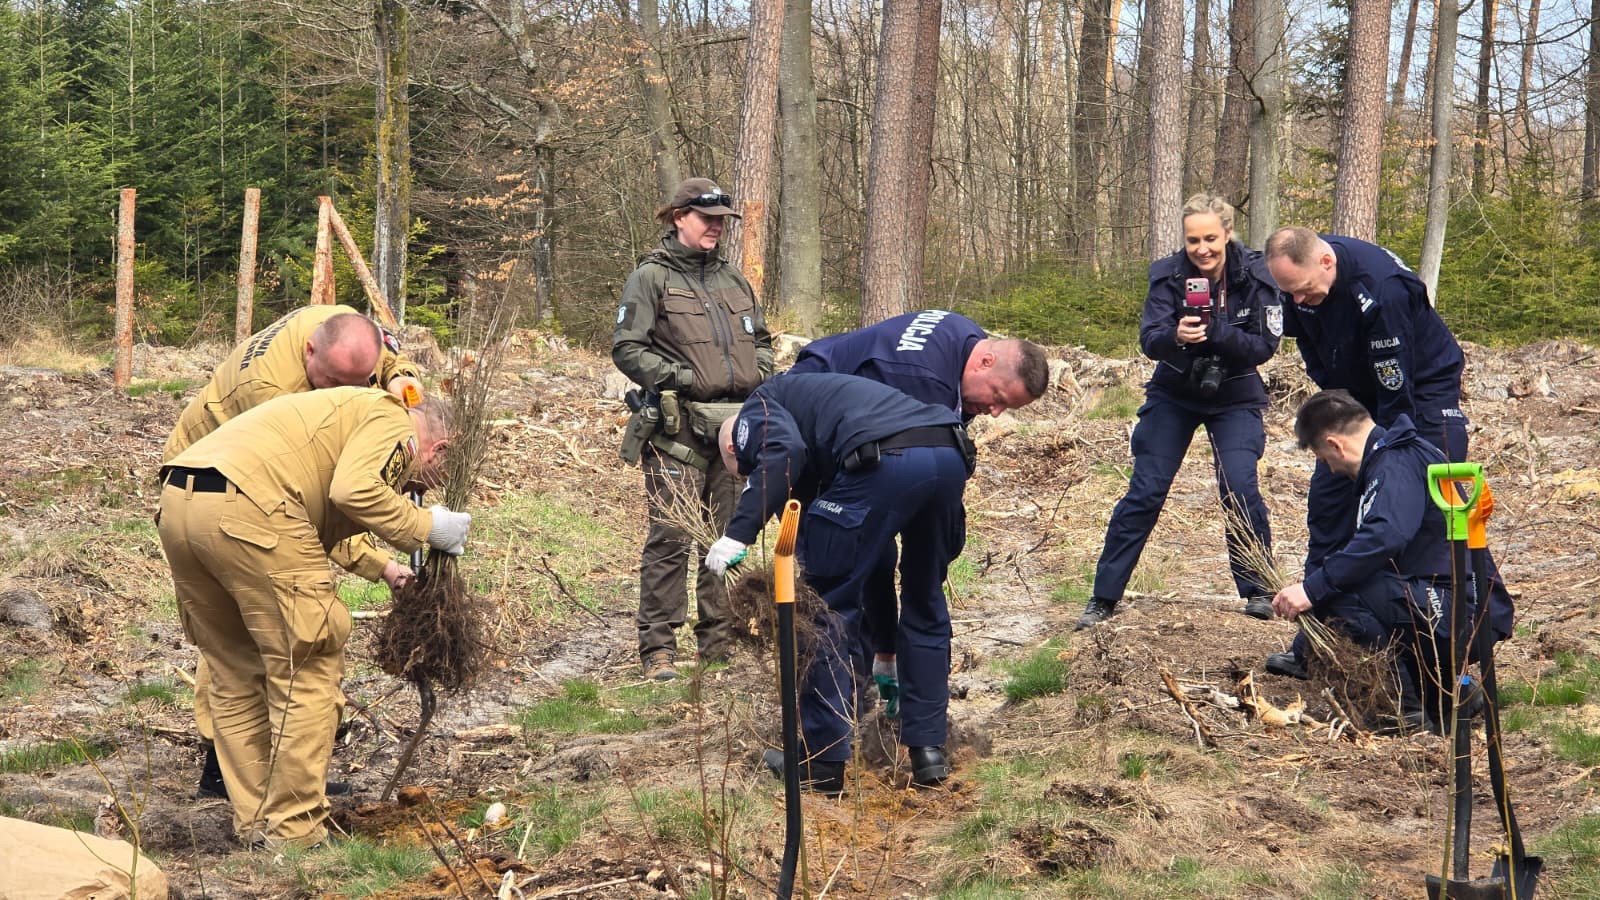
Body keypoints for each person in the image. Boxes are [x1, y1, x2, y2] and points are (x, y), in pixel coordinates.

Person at [157, 387, 471, 849]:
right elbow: (354, 491)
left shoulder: (339, 414)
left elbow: (311, 502)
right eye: (431, 478)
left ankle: (257, 826)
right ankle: (297, 833)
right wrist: (429, 528)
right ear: (439, 448)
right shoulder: (394, 421)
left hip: (181, 503)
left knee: (234, 670)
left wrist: (382, 566)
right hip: (252, 511)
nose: (418, 489)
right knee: (307, 666)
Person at [164, 304, 425, 800]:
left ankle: (274, 777)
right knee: (244, 632)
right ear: (309, 351)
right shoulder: (267, 392)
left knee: (267, 629)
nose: (342, 394)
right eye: (331, 382)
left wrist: (402, 384)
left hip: (238, 488)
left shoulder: (344, 324)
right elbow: (309, 502)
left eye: (357, 382)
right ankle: (231, 767)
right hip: (217, 485)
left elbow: (390, 357)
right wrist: (381, 562)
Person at [706, 373, 975, 794]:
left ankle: (823, 763)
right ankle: (928, 752)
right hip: (948, 455)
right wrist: (885, 651)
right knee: (926, 597)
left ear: (733, 446)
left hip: (886, 459)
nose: (753, 479)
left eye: (746, 472)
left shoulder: (758, 407)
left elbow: (781, 451)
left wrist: (739, 531)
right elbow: (877, 561)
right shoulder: (830, 419)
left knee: (822, 611)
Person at [787, 310, 1049, 714]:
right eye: (997, 397)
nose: (994, 412)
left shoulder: (966, 340)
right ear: (985, 361)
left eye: (1005, 407)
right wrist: (888, 651)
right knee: (839, 581)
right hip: (810, 433)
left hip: (865, 435)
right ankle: (837, 720)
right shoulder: (922, 384)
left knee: (924, 567)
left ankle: (904, 708)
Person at [1262, 226, 1482, 677]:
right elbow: (1313, 351)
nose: (1298, 302)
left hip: (1421, 400)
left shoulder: (1382, 289)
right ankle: (1315, 642)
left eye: (1303, 291)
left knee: (1431, 525)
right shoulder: (1298, 283)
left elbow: (1395, 388)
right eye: (1290, 295)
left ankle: (1456, 662)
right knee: (1329, 506)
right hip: (1357, 399)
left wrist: (1386, 454)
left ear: (1326, 263)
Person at [1076, 194, 1283, 629]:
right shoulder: (1168, 276)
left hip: (1235, 393)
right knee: (1146, 491)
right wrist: (1177, 335)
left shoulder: (1258, 274)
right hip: (1175, 390)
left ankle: (1259, 588)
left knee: (1239, 487)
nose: (1202, 249)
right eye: (1193, 240)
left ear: (1227, 233)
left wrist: (1216, 332)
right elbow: (1149, 340)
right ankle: (1103, 597)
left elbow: (1264, 346)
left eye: (1210, 238)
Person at [1270, 391, 1511, 730]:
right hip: (1446, 602)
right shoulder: (1396, 457)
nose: (1331, 468)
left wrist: (1312, 589)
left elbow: (1386, 535)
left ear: (1335, 445)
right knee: (1346, 583)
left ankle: (1398, 713)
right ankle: (1446, 697)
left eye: (1323, 458)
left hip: (1459, 610)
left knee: (1338, 591)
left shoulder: (1395, 463)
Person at [612, 177, 773, 681]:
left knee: (727, 538)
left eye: (722, 221)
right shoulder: (651, 278)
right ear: (679, 217)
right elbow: (627, 347)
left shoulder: (734, 279)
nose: (716, 229)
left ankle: (719, 645)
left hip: (735, 431)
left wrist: (761, 374)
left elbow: (762, 340)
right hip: (676, 433)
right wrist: (681, 377)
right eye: (707, 220)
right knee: (670, 538)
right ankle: (658, 649)